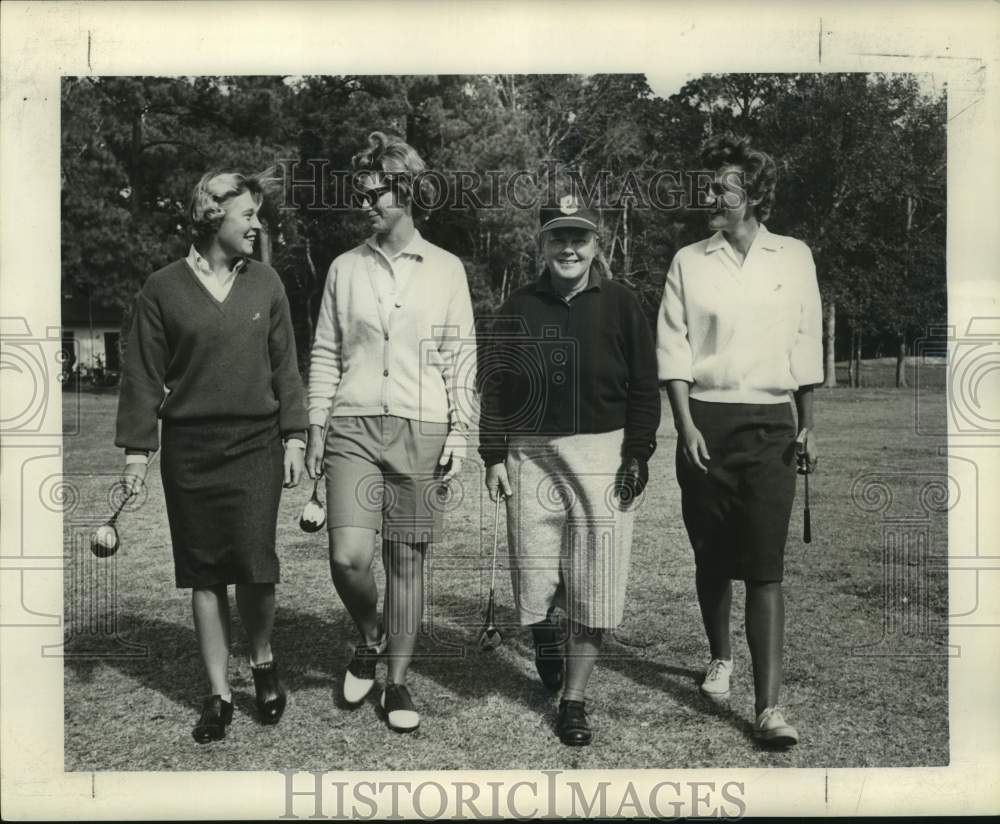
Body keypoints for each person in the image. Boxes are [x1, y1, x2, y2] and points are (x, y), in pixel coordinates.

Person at [115, 168, 308, 743]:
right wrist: (134, 457)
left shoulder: (267, 283)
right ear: (212, 215)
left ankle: (265, 659)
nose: (257, 224)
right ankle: (218, 694)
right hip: (190, 451)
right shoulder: (162, 288)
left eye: (256, 215)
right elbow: (142, 377)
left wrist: (294, 436)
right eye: (247, 214)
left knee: (254, 565)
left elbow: (286, 368)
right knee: (204, 575)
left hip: (255, 445)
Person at [304, 131, 475, 734]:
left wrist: (460, 435)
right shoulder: (344, 269)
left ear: (408, 192)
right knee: (349, 557)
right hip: (351, 423)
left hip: (423, 425)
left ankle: (397, 681)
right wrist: (317, 423)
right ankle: (371, 634)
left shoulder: (446, 269)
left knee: (406, 559)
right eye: (361, 194)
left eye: (376, 193)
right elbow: (325, 351)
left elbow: (461, 357)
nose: (366, 204)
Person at [656, 133, 822, 747]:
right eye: (710, 185)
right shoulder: (689, 260)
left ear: (752, 196)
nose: (710, 195)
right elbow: (673, 349)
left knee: (765, 565)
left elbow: (806, 343)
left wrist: (808, 423)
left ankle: (769, 708)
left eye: (721, 187)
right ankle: (720, 656)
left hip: (772, 426)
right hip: (706, 422)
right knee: (712, 556)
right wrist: (686, 424)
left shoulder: (794, 256)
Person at [479, 197, 661, 746]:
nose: (569, 248)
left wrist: (638, 453)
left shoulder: (624, 304)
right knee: (534, 579)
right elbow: (494, 388)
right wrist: (491, 456)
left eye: (579, 238)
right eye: (558, 238)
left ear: (596, 246)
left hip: (601, 452)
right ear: (543, 245)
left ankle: (574, 699)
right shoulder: (517, 306)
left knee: (596, 579)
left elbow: (646, 387)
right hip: (529, 451)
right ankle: (543, 637)